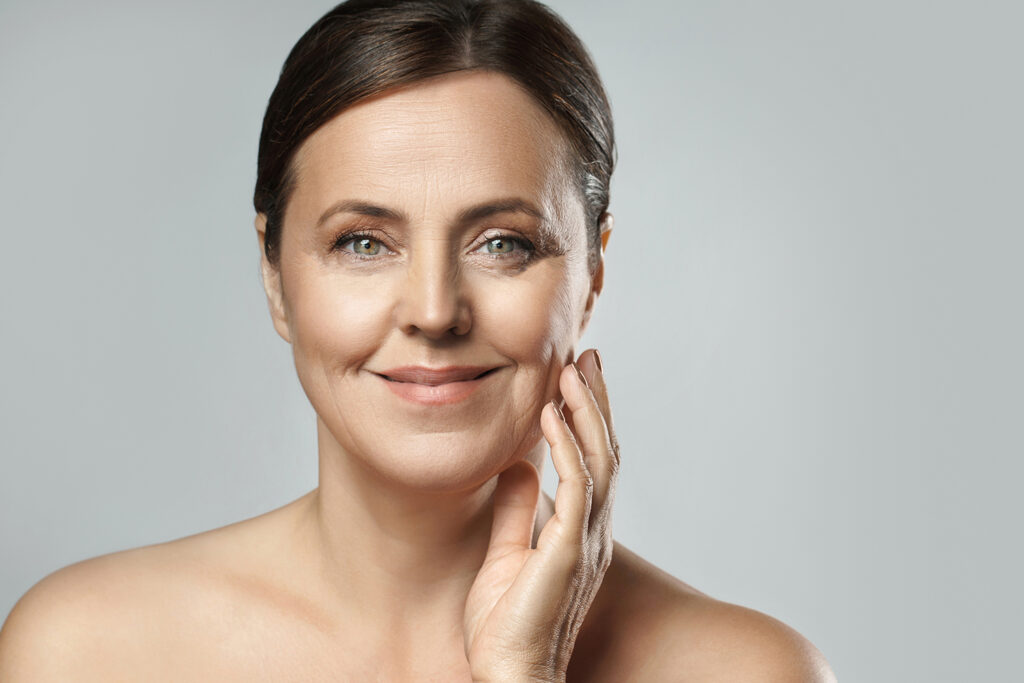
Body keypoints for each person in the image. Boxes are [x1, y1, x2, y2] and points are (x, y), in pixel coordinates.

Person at [0, 1, 836, 680]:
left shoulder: (747, 672)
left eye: (503, 242)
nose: (434, 311)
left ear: (592, 275)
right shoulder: (83, 651)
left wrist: (524, 675)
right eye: (364, 242)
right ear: (275, 276)